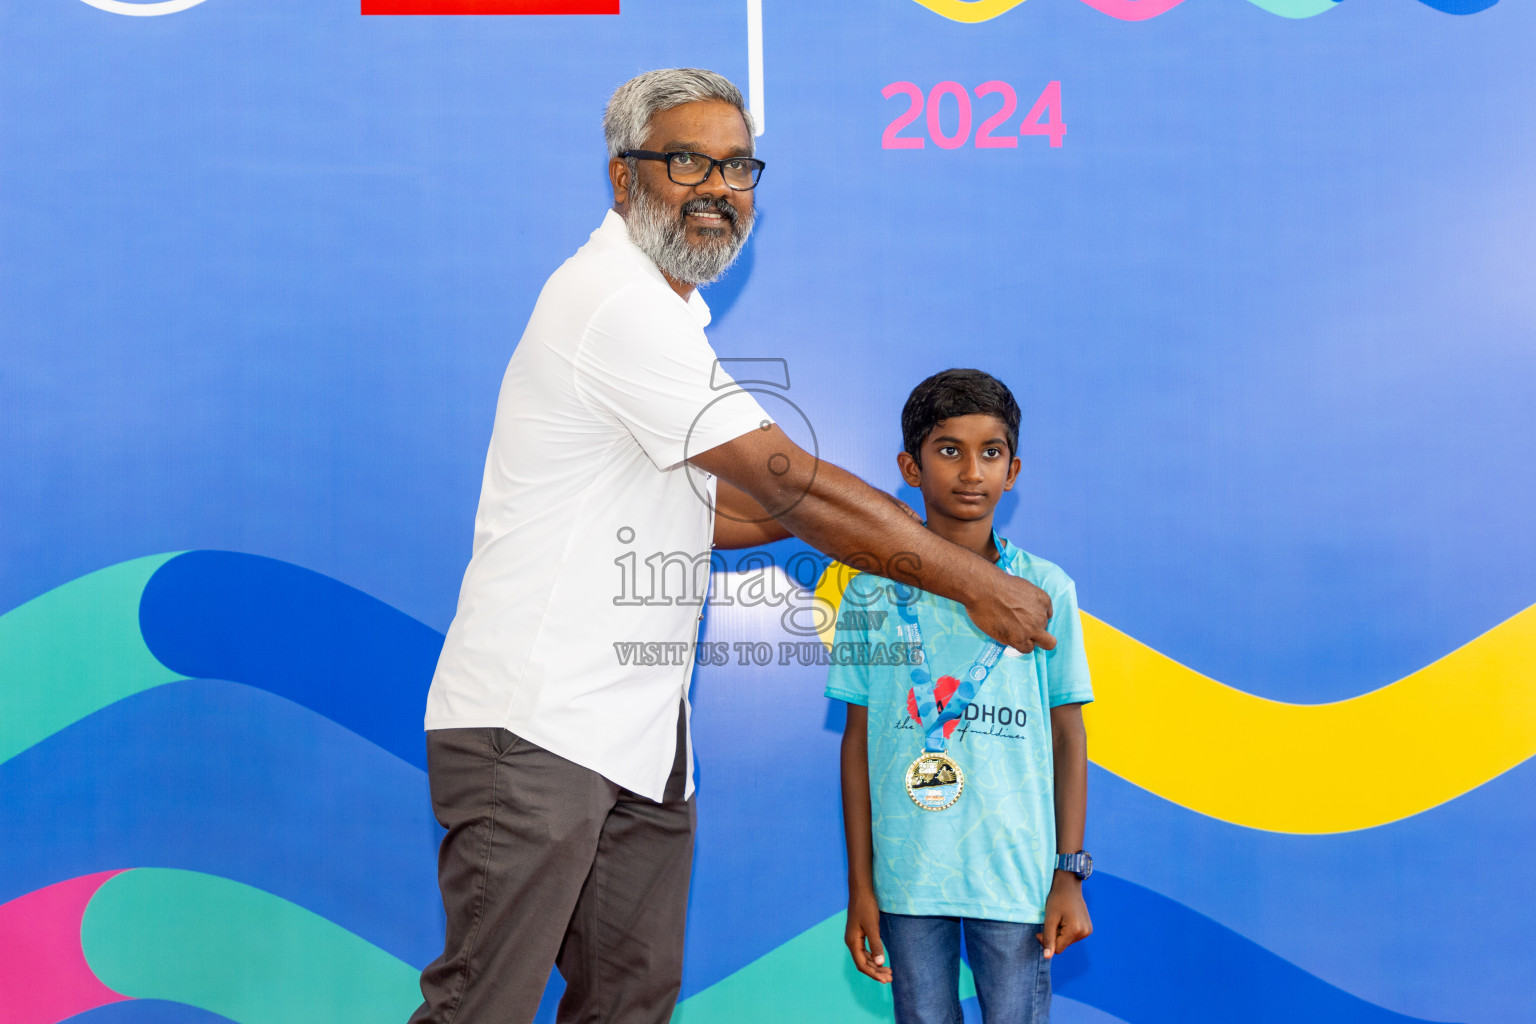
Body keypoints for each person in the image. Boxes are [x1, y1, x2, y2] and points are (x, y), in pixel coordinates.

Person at [410, 69, 1058, 1024]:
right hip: (536, 729)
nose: (718, 185)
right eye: (685, 161)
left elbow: (725, 510)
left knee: (631, 1004)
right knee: (484, 1007)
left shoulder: (672, 321)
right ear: (623, 180)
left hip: (637, 747)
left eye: (737, 166)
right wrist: (969, 577)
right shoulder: (613, 304)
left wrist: (890, 519)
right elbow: (783, 479)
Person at [827, 369, 1095, 1024]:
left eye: (991, 452)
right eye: (948, 450)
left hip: (1017, 880)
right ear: (910, 468)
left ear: (1014, 469)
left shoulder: (1045, 589)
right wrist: (862, 887)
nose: (971, 471)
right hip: (908, 879)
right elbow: (858, 743)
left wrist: (1068, 872)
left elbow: (1068, 737)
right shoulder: (869, 594)